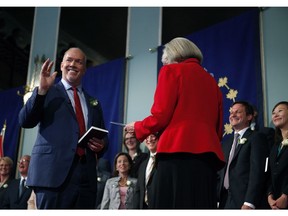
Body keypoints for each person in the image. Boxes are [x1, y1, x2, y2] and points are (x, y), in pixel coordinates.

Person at [125, 37, 225, 209]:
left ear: (174, 56)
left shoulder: (171, 71)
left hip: (176, 154)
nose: (165, 65)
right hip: (207, 160)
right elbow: (218, 128)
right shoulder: (212, 82)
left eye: (166, 62)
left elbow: (161, 115)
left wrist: (138, 126)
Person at [18, 47, 108, 209]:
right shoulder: (47, 92)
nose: (73, 64)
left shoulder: (93, 102)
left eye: (79, 62)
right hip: (52, 176)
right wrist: (41, 91)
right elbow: (25, 121)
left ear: (84, 69)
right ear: (61, 65)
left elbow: (103, 138)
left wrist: (101, 146)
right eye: (69, 60)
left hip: (85, 180)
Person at [218, 101, 270, 209]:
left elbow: (257, 172)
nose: (233, 115)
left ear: (249, 116)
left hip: (243, 201)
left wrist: (249, 202)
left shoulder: (256, 137)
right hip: (224, 200)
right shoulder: (226, 143)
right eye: (231, 112)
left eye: (238, 112)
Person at [267, 101, 288, 209]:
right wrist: (270, 196)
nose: (275, 115)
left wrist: (286, 195)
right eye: (273, 113)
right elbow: (271, 172)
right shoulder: (275, 146)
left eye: (280, 111)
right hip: (275, 204)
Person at [134, 133, 158, 209]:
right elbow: (138, 191)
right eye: (147, 137)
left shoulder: (166, 163)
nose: (149, 139)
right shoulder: (143, 165)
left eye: (153, 136)